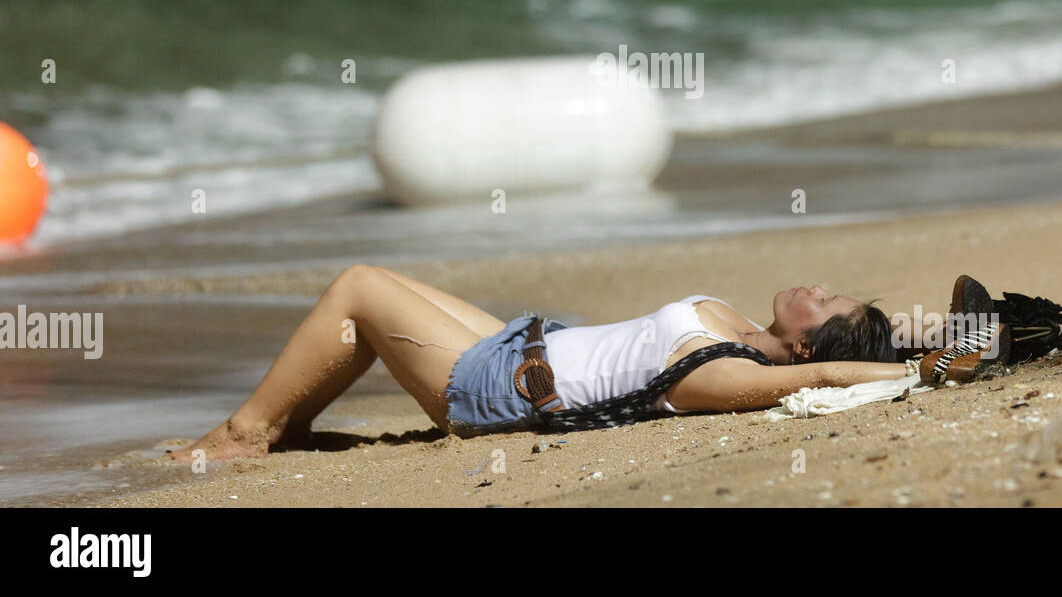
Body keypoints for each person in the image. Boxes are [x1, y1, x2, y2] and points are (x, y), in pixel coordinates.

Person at [166, 263, 940, 460]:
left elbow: (826, 377)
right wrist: (940, 340)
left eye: (827, 305)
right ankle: (290, 428)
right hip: (519, 342)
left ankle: (245, 431)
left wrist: (916, 377)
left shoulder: (729, 375)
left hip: (495, 388)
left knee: (359, 288)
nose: (817, 287)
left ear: (808, 344)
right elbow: (863, 350)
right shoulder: (738, 328)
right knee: (382, 286)